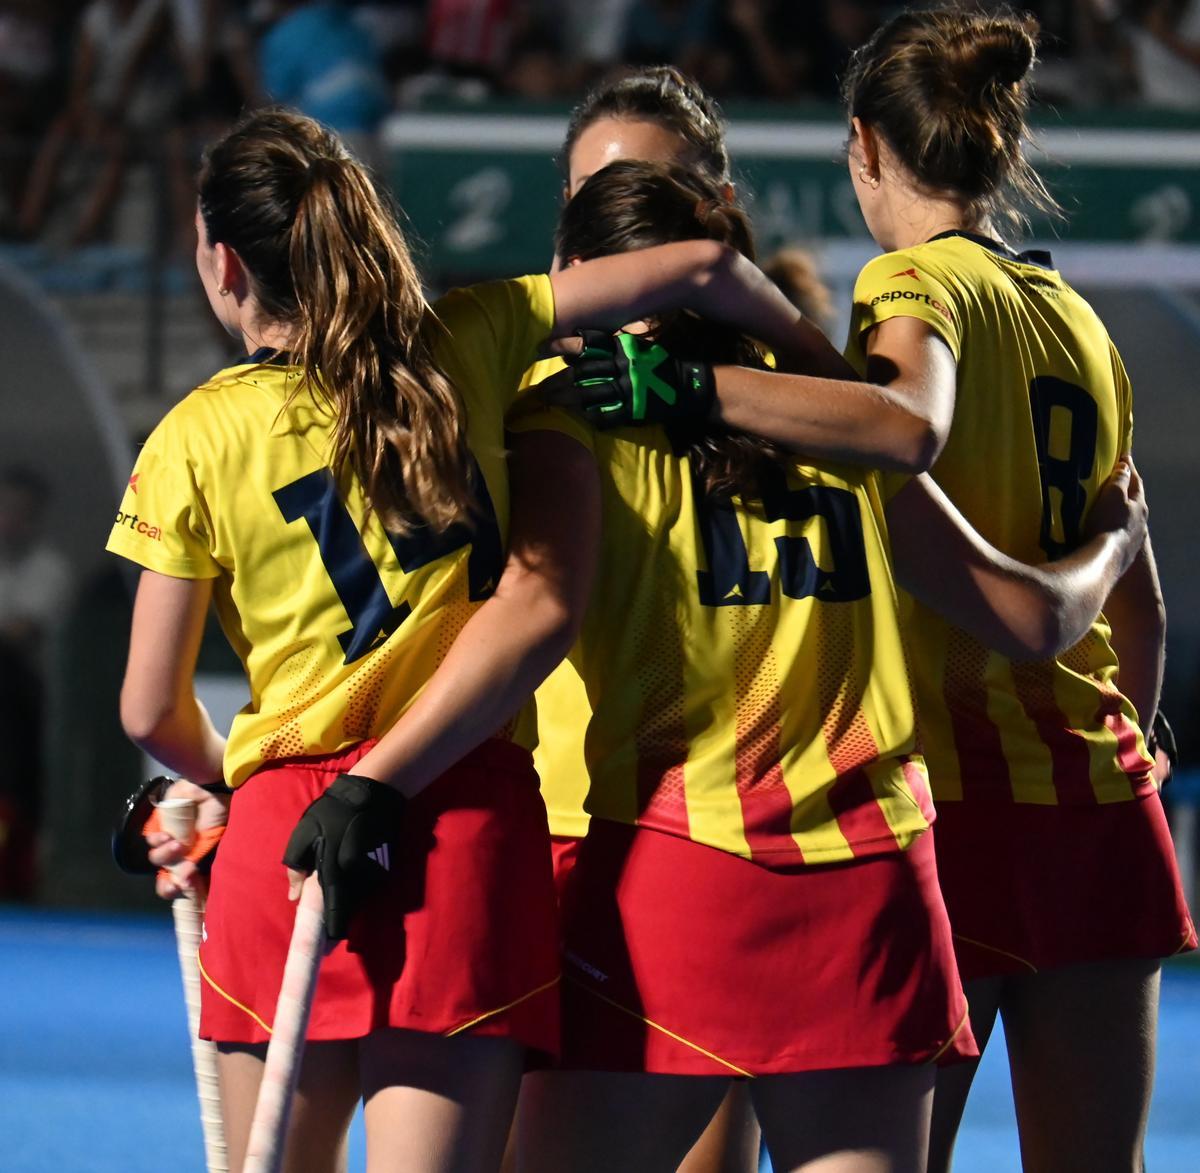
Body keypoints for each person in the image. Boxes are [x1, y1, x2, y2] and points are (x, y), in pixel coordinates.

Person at [110, 107, 855, 1173]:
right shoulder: (483, 333)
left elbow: (148, 710)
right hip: (470, 820)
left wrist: (237, 778)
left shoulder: (192, 436)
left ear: (222, 263)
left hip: (288, 831)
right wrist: (828, 374)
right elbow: (701, 268)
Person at [547, 12, 1197, 1171]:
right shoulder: (1080, 324)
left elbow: (905, 429)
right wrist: (1115, 723)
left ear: (862, 146)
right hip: (1091, 797)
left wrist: (694, 386)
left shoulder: (888, 314)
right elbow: (1126, 609)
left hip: (918, 801)